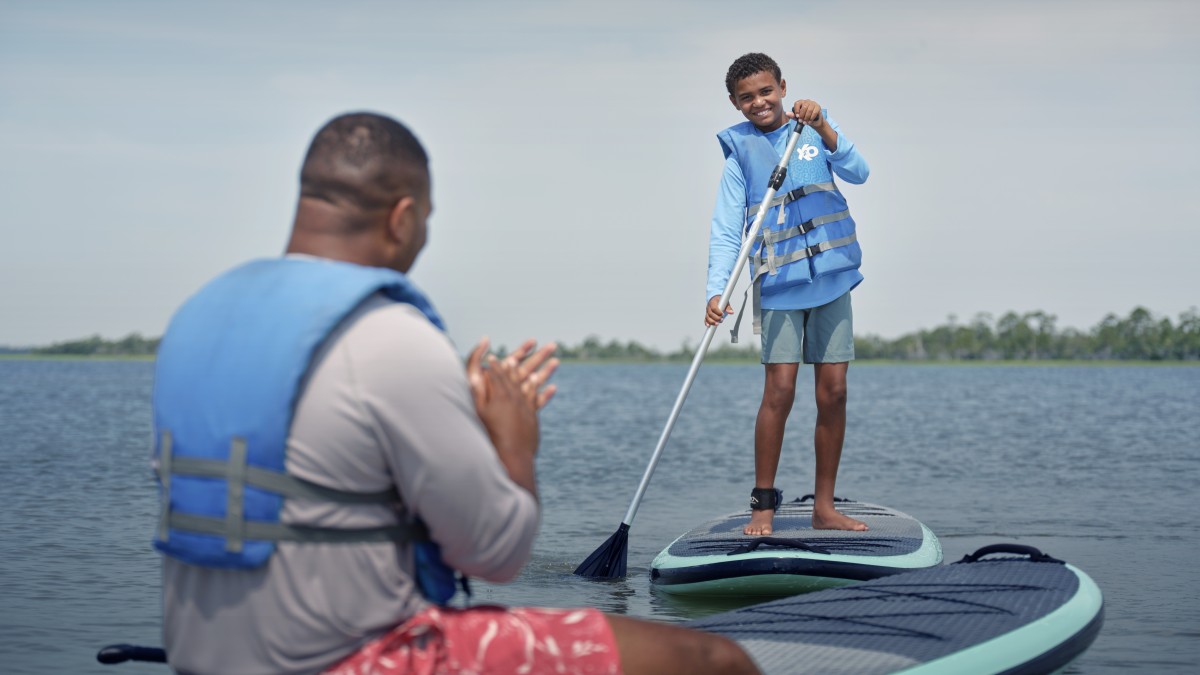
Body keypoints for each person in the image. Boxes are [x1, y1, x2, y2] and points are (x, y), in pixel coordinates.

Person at [152, 112, 757, 675]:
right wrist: (511, 439)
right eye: (428, 220)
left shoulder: (196, 319)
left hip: (202, 654)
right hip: (353, 658)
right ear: (403, 216)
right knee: (712, 659)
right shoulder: (392, 338)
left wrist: (448, 419)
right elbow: (496, 554)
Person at [704, 53, 871, 536]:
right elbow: (725, 230)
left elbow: (859, 171)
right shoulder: (739, 153)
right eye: (747, 98)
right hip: (779, 283)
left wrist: (823, 126)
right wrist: (718, 290)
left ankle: (824, 507)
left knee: (834, 391)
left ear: (781, 86)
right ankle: (763, 505)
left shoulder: (813, 126)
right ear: (735, 104)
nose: (759, 102)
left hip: (832, 277)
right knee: (779, 390)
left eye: (765, 91)